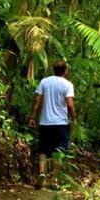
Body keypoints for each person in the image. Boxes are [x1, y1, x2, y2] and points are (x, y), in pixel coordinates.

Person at [28, 60, 75, 188]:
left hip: (45, 122)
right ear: (65, 71)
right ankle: (54, 179)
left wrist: (32, 116)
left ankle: (42, 172)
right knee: (58, 151)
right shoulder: (68, 84)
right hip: (60, 123)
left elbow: (37, 99)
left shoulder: (45, 81)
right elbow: (70, 105)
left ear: (54, 70)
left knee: (43, 149)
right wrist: (73, 118)